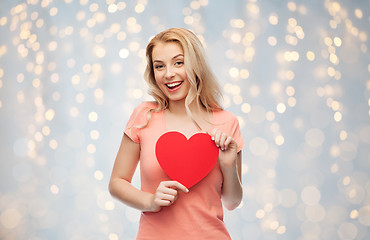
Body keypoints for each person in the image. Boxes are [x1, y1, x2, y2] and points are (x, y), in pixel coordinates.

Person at [109, 28, 244, 240]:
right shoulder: (144, 116)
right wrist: (150, 201)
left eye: (178, 62)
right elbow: (117, 182)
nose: (168, 74)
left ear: (196, 64)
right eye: (159, 66)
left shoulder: (227, 122)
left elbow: (232, 202)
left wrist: (228, 167)